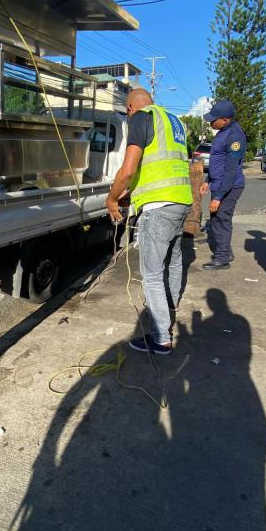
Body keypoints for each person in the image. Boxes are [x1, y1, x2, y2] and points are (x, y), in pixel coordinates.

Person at [106, 88, 192, 355]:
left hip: (159, 208)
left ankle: (161, 338)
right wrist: (131, 195)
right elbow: (160, 167)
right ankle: (172, 304)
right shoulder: (173, 121)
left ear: (130, 108)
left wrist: (111, 198)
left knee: (152, 275)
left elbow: (129, 169)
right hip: (181, 201)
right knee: (175, 258)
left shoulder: (141, 118)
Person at [199, 99, 246, 269]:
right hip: (218, 184)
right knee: (216, 219)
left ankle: (223, 258)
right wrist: (208, 181)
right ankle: (225, 250)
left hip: (229, 187)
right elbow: (218, 163)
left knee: (221, 220)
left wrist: (218, 197)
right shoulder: (223, 132)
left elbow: (231, 170)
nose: (211, 122)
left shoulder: (235, 136)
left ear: (225, 119)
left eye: (213, 119)